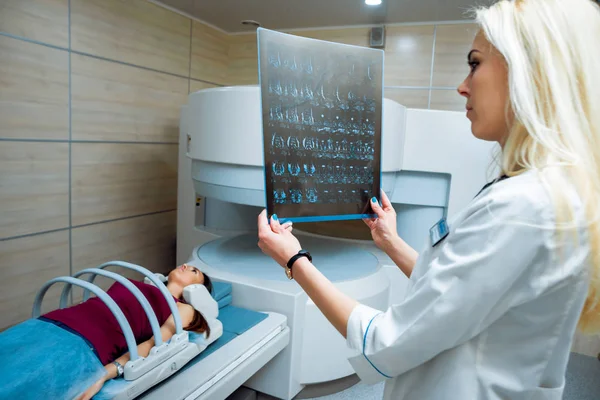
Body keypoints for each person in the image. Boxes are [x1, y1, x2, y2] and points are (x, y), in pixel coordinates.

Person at [257, 0, 600, 398]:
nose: (462, 85)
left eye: (475, 63)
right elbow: (460, 296)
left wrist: (294, 260)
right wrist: (391, 242)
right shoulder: (546, 193)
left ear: (530, 71)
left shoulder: (523, 208)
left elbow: (385, 341)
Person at [0, 264, 213, 400]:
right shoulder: (138, 284)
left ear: (197, 290)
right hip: (47, 323)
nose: (186, 265)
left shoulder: (182, 309)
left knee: (11, 386)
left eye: (195, 271)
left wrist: (104, 375)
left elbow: (151, 345)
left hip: (81, 346)